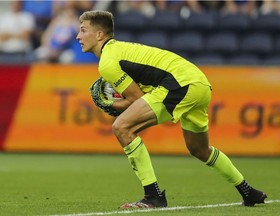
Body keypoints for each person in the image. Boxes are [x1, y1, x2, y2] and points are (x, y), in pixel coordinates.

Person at [76, 10, 267, 208]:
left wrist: (110, 104)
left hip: (180, 84)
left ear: (99, 35)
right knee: (200, 149)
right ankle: (248, 191)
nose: (78, 36)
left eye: (83, 30)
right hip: (199, 82)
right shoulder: (119, 50)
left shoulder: (107, 62)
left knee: (122, 127)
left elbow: (137, 99)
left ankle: (153, 196)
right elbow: (142, 96)